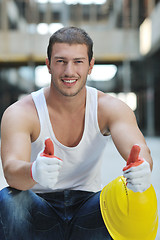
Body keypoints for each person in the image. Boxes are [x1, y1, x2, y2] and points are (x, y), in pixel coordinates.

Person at [0, 26, 152, 240]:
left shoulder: (109, 107)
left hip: (89, 212)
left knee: (134, 197)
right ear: (48, 65)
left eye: (78, 62)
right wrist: (34, 171)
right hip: (40, 211)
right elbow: (11, 171)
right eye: (61, 61)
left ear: (90, 65)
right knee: (8, 200)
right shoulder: (21, 112)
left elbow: (139, 151)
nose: (69, 71)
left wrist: (142, 169)